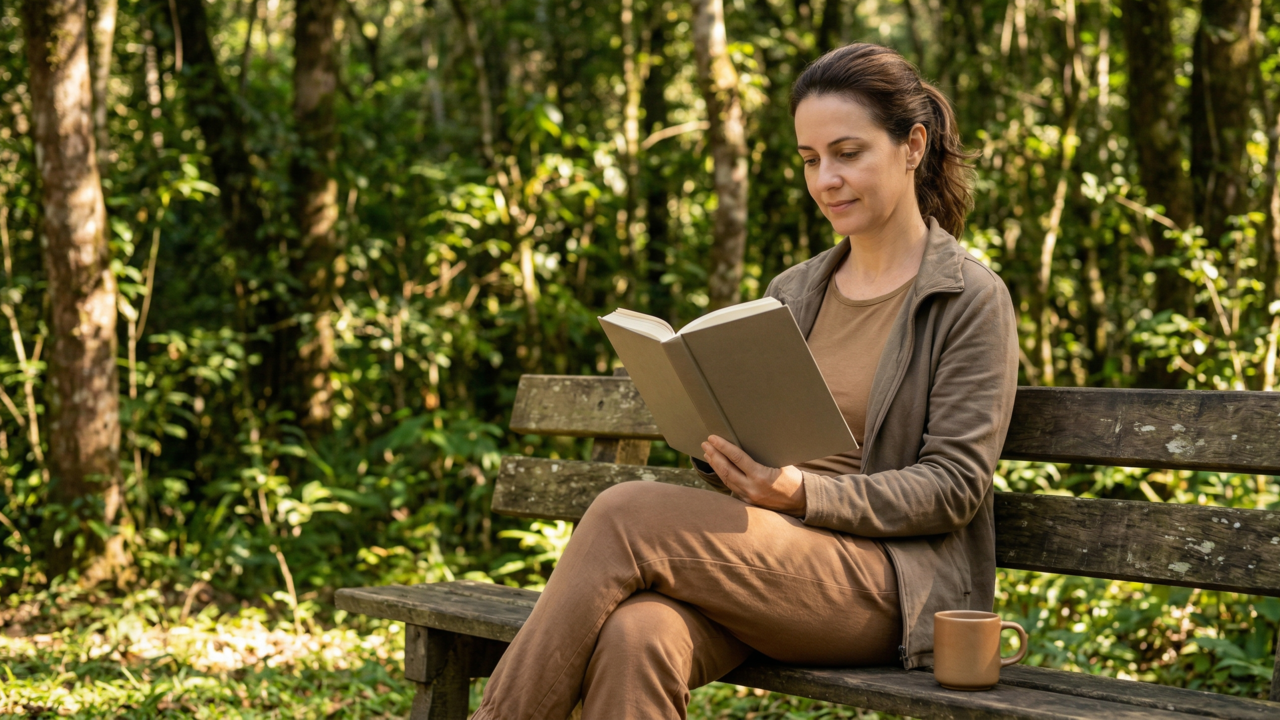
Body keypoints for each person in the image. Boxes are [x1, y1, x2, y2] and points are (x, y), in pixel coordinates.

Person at [471, 42, 1019, 720]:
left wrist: (803, 493)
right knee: (637, 635)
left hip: (883, 583)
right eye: (811, 160)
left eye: (848, 154)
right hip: (768, 563)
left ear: (913, 145)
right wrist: (720, 446)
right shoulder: (794, 290)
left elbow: (955, 486)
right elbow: (764, 451)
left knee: (624, 512)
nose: (826, 180)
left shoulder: (966, 297)